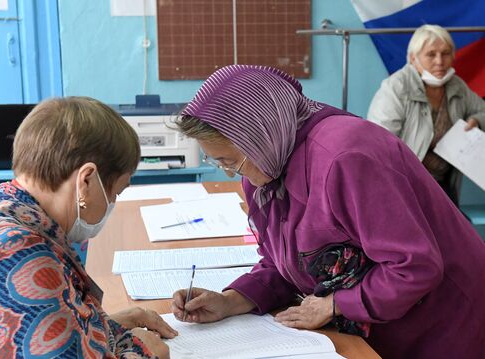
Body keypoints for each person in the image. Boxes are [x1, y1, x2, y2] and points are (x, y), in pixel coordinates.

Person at [170, 65, 485, 359]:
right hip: (378, 328)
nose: (229, 173)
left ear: (260, 135)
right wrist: (230, 301)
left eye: (229, 161)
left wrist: (334, 305)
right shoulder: (267, 171)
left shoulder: (346, 157)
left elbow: (415, 268)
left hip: (445, 326)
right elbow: (289, 263)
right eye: (219, 162)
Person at [0, 97, 176, 358]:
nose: (113, 202)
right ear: (86, 180)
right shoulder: (27, 257)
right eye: (117, 191)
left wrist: (106, 326)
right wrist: (144, 352)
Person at [367, 24, 485, 205]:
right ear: (414, 58)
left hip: (442, 185)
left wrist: (476, 120)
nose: (440, 61)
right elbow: (380, 143)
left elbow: (482, 110)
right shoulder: (395, 87)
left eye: (445, 53)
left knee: (456, 230)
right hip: (404, 186)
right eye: (431, 54)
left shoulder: (456, 85)